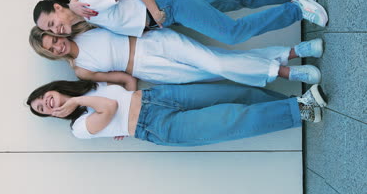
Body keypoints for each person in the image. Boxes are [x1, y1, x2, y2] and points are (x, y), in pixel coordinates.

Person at [26, 80, 327, 146]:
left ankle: (296, 105)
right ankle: (301, 107)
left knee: (234, 93)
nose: (48, 105)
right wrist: (77, 103)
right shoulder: (77, 126)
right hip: (159, 125)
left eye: (43, 98)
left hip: (159, 96)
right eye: (43, 110)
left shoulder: (89, 84)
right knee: (231, 119)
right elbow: (111, 107)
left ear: (50, 89)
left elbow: (125, 84)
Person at [33, 0, 328, 44]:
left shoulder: (87, 4)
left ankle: (297, 8)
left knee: (232, 33)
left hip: (167, 5)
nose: (55, 29)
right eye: (49, 30)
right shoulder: (83, 11)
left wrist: (156, 14)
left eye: (51, 21)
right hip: (170, 8)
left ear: (58, 7)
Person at [29, 26, 324, 90]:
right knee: (221, 66)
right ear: (49, 55)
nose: (57, 46)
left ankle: (289, 72)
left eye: (54, 39)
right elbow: (124, 79)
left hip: (154, 43)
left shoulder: (83, 27)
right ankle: (292, 53)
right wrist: (124, 109)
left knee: (218, 62)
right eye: (50, 48)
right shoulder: (82, 70)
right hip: (151, 70)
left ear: (59, 34)